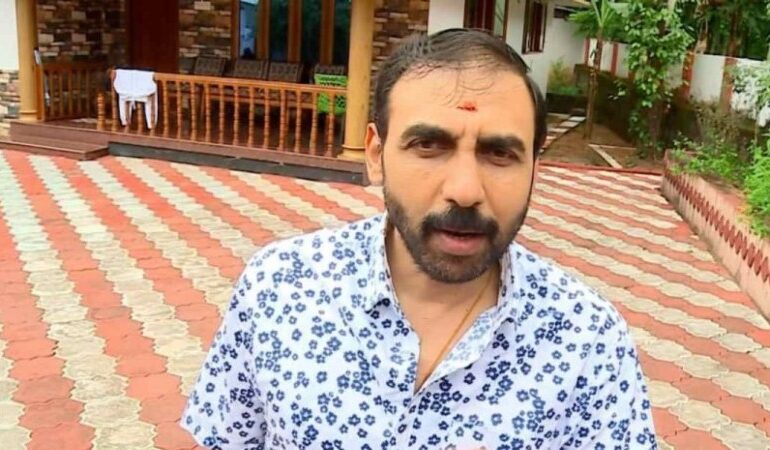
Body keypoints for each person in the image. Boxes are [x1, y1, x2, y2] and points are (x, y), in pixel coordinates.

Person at [181, 29, 657, 449]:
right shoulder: (279, 288)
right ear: (375, 155)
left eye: (499, 153)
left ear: (535, 166)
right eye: (428, 145)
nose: (465, 191)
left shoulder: (588, 340)